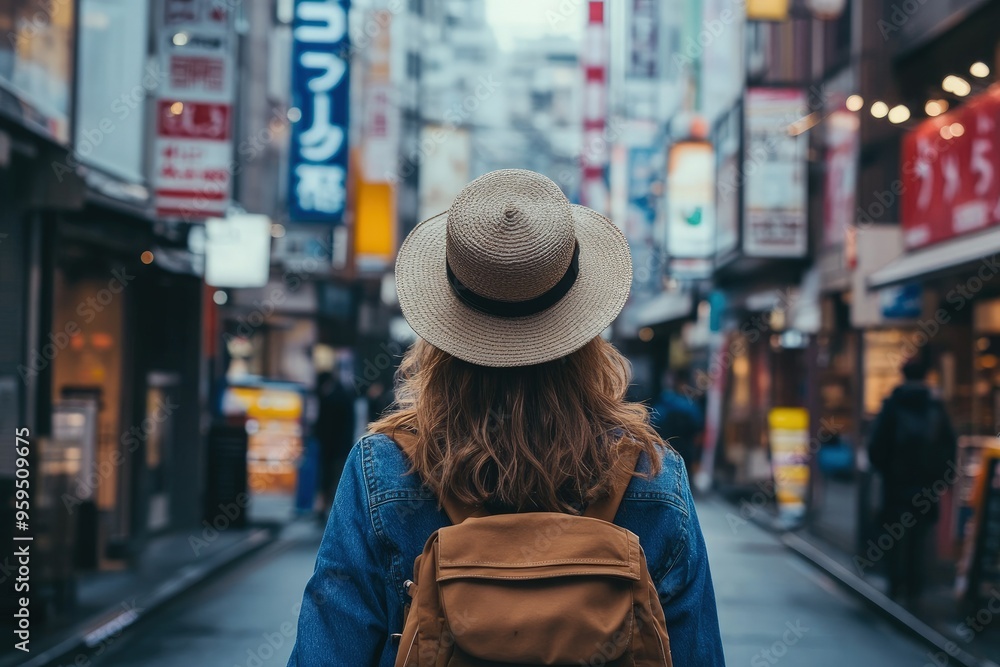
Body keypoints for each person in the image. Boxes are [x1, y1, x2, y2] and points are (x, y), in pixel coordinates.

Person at [287, 170, 725, 666]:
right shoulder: (653, 476)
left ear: (443, 333)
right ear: (582, 333)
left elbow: (326, 652)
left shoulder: (383, 469)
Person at [867, 357, 957, 605]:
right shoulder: (935, 406)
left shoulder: (893, 404)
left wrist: (885, 471)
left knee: (895, 535)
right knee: (919, 537)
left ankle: (896, 584)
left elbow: (877, 446)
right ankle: (915, 588)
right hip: (926, 485)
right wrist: (942, 478)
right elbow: (949, 446)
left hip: (896, 483)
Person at [312, 370, 356, 522]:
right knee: (333, 480)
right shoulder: (343, 396)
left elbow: (324, 428)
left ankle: (327, 510)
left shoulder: (330, 398)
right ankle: (330, 511)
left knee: (328, 479)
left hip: (331, 449)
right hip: (339, 449)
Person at [651, 369, 705, 477]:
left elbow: (653, 421)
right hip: (684, 452)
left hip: (663, 450)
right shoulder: (691, 407)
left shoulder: (664, 401)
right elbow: (698, 427)